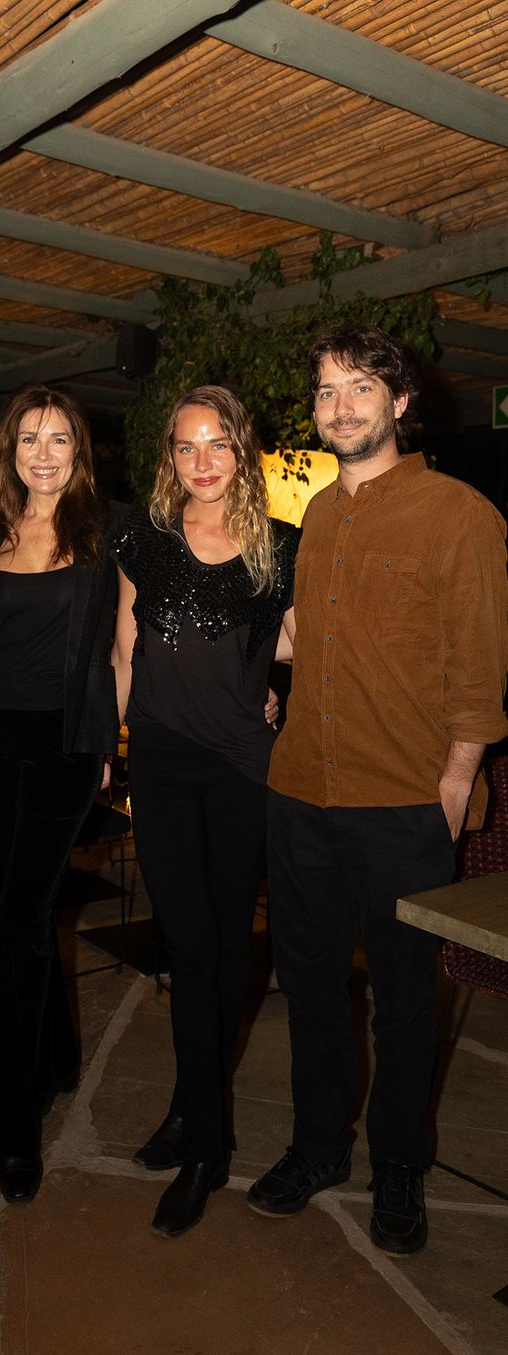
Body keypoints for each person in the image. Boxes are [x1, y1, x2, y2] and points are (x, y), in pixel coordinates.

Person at [247, 325, 508, 1255]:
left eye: (360, 388)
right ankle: (319, 1147)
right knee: (310, 987)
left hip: (404, 800)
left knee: (404, 1003)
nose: (340, 405)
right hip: (301, 792)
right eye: (326, 391)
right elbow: (317, 645)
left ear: (400, 401)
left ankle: (399, 1164)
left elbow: (480, 674)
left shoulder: (460, 515)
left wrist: (454, 785)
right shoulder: (317, 514)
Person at [111, 385, 299, 1237]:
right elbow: (125, 648)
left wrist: (273, 694)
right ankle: (206, 1145)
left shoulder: (280, 552)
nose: (202, 461)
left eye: (217, 443)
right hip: (160, 762)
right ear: (170, 459)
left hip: (241, 771)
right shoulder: (141, 541)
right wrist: (104, 753)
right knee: (190, 947)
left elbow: (304, 642)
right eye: (186, 446)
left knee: (226, 945)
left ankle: (195, 1112)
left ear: (243, 452)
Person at [0, 384, 124, 1205]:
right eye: (30, 438)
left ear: (78, 450)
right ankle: (55, 1056)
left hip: (64, 747)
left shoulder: (108, 530)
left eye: (59, 439)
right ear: (9, 450)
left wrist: (106, 742)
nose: (45, 453)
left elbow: (128, 646)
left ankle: (11, 1122)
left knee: (19, 915)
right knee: (30, 911)